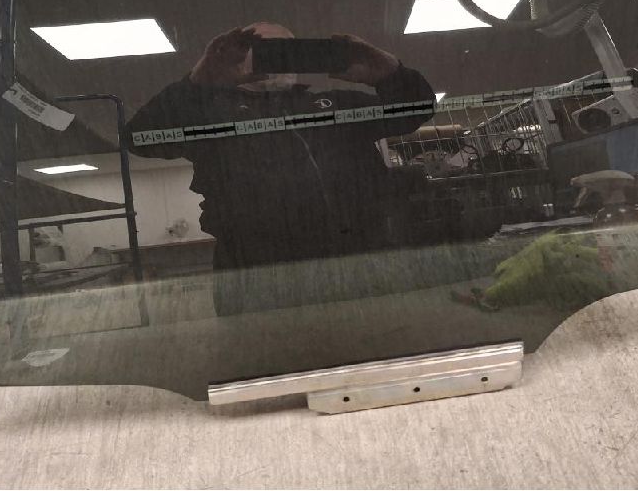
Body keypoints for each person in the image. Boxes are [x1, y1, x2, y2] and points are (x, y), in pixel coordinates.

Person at [127, 22, 435, 313]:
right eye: (260, 47)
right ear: (238, 59)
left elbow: (416, 111)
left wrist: (389, 73)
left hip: (359, 263)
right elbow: (139, 139)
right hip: (255, 274)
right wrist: (198, 83)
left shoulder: (338, 105)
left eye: (288, 48)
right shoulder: (207, 115)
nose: (276, 56)